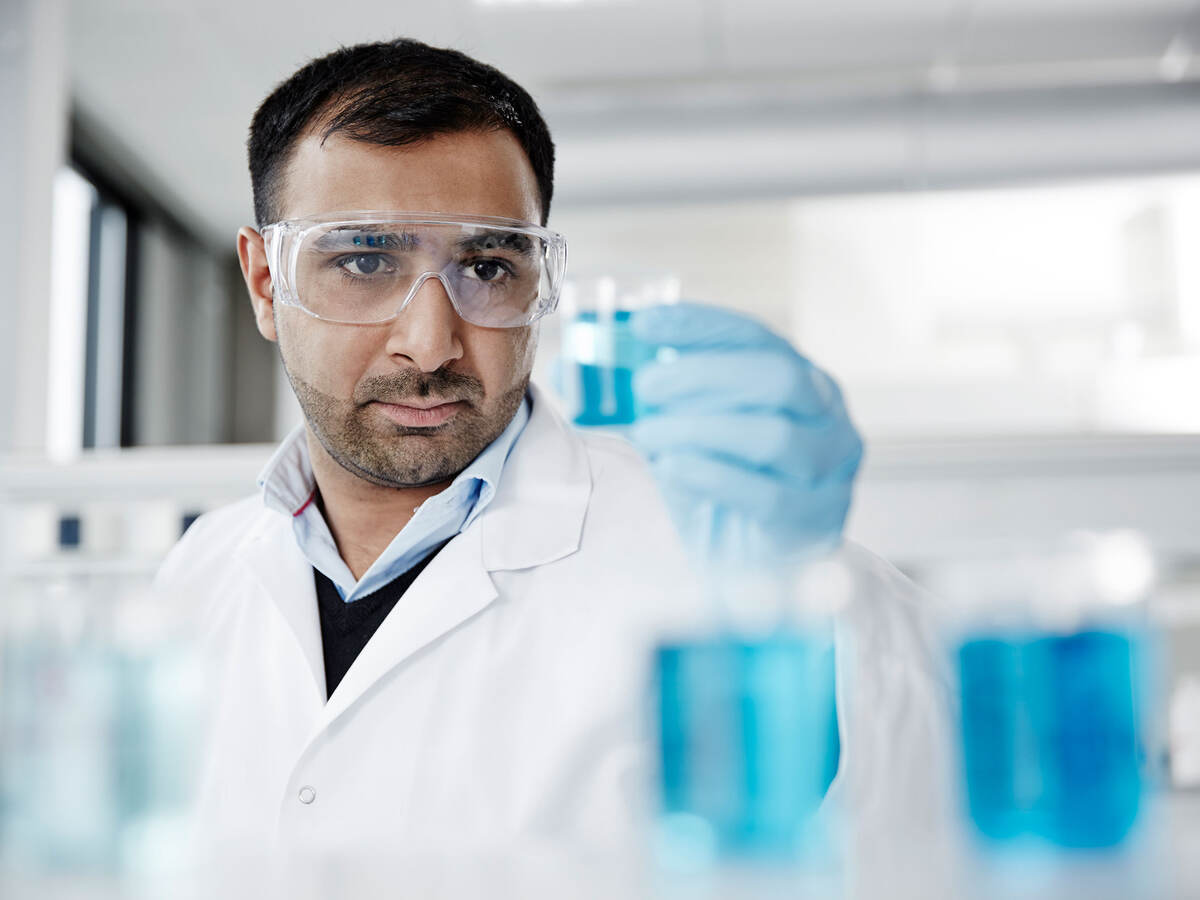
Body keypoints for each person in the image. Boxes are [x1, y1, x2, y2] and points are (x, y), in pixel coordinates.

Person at [154, 38, 954, 862]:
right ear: (264, 283)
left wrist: (813, 595)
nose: (430, 345)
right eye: (363, 260)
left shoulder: (701, 552)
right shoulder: (199, 574)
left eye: (488, 266)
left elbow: (940, 796)